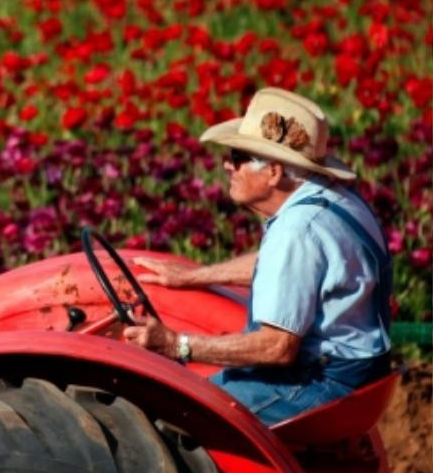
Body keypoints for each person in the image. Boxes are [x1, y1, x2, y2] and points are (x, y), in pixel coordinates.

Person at [123, 87, 392, 424]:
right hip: (358, 373)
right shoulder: (334, 200)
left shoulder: (296, 229)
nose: (225, 165)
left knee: (172, 418)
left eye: (237, 157)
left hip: (321, 383)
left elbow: (277, 347)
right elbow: (293, 269)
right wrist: (192, 276)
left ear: (275, 171)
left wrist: (177, 345)